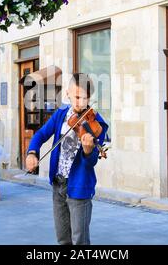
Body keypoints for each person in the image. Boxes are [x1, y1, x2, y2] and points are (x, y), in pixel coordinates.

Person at [25, 73, 109, 245]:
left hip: (79, 186)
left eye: (85, 98)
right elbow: (41, 134)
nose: (80, 102)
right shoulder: (61, 114)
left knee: (80, 241)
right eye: (77, 97)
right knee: (63, 239)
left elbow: (91, 162)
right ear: (68, 94)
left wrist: (88, 151)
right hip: (58, 184)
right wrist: (32, 152)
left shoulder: (97, 123)